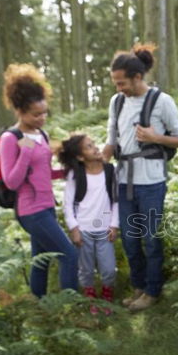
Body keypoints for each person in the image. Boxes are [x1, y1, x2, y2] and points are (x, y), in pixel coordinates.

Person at [102, 44, 178, 311]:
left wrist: (156, 138)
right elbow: (111, 139)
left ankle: (153, 291)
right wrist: (100, 155)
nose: (119, 88)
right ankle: (138, 287)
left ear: (137, 77)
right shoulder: (116, 102)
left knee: (150, 238)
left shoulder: (161, 101)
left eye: (122, 83)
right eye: (116, 84)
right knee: (129, 239)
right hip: (124, 181)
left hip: (151, 183)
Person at [0, 63, 78, 298]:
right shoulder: (9, 139)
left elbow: (42, 172)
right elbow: (11, 182)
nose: (42, 118)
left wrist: (66, 173)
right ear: (20, 111)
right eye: (36, 114)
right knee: (69, 255)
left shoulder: (41, 133)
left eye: (44, 113)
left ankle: (38, 307)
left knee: (40, 261)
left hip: (47, 206)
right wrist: (24, 151)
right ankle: (72, 309)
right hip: (30, 211)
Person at [59, 133, 119, 315]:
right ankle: (90, 296)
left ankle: (107, 295)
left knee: (108, 269)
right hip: (83, 230)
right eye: (89, 146)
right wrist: (74, 228)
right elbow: (67, 204)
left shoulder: (110, 170)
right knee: (85, 270)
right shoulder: (75, 175)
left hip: (105, 230)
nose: (95, 148)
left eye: (94, 144)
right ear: (79, 156)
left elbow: (116, 200)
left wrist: (114, 225)